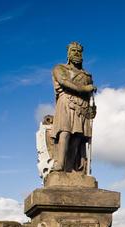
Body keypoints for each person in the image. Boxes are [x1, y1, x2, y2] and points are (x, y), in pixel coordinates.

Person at [50, 42, 97, 173]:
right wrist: (85, 88)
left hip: (82, 106)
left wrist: (92, 110)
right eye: (73, 51)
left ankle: (69, 168)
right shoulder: (60, 68)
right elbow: (65, 82)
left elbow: (90, 97)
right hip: (66, 102)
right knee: (64, 133)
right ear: (68, 53)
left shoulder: (87, 76)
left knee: (77, 138)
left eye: (79, 51)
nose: (77, 53)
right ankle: (59, 164)